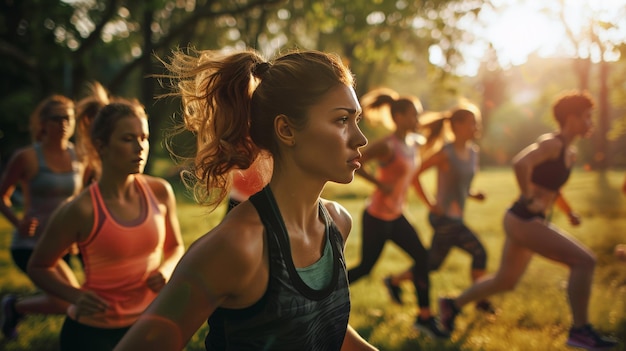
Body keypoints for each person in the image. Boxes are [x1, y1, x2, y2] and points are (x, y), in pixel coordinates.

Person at [114, 49, 378, 351]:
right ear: (286, 130)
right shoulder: (237, 247)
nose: (360, 138)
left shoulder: (337, 223)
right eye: (342, 120)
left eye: (356, 119)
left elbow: (320, 326)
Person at [438, 91, 618, 350]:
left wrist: (567, 211)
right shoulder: (552, 144)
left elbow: (553, 188)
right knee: (585, 261)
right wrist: (528, 196)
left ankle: (451, 305)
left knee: (505, 280)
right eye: (587, 117)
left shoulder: (569, 152)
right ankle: (580, 331)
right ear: (571, 118)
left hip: (528, 220)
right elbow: (521, 163)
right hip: (524, 218)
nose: (591, 123)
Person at [27, 98, 185, 351]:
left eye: (143, 137)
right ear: (101, 146)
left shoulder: (160, 191)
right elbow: (38, 265)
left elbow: (176, 247)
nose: (140, 147)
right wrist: (75, 295)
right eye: (128, 139)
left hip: (149, 322)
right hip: (94, 333)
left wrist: (165, 271)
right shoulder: (81, 209)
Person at [346, 88, 449, 338]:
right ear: (400, 116)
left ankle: (424, 317)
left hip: (397, 216)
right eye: (414, 115)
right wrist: (379, 184)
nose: (417, 120)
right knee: (366, 268)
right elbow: (356, 162)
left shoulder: (411, 143)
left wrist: (429, 202)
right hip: (377, 217)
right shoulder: (387, 145)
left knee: (423, 259)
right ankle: (322, 293)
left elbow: (413, 179)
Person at [382, 103, 495, 314]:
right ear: (457, 126)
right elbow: (415, 175)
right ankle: (480, 300)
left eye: (477, 123)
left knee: (432, 264)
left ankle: (394, 280)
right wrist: (430, 203)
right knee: (479, 253)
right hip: (444, 219)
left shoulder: (473, 152)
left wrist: (473, 194)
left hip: (456, 218)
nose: (476, 126)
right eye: (472, 122)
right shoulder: (446, 153)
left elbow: (461, 185)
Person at [0, 94, 83, 339]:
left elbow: (76, 202)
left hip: (63, 245)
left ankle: (14, 308)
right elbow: (2, 196)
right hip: (31, 244)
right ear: (43, 124)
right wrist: (19, 223)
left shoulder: (78, 157)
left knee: (69, 300)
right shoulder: (26, 157)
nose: (63, 124)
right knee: (69, 301)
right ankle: (13, 307)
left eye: (68, 118)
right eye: (56, 118)